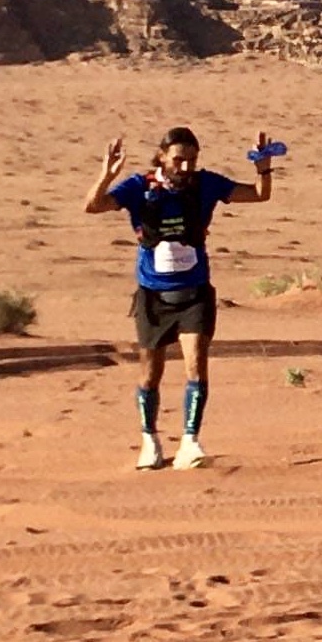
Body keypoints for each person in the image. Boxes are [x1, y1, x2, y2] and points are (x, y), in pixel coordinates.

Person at [84, 127, 276, 470]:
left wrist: (263, 166)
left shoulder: (207, 184)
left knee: (196, 367)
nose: (186, 167)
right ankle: (150, 441)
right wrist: (106, 175)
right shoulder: (138, 187)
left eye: (192, 160)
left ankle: (190, 441)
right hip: (153, 297)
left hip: (195, 294)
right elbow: (93, 206)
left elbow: (260, 195)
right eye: (178, 159)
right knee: (150, 374)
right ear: (162, 157)